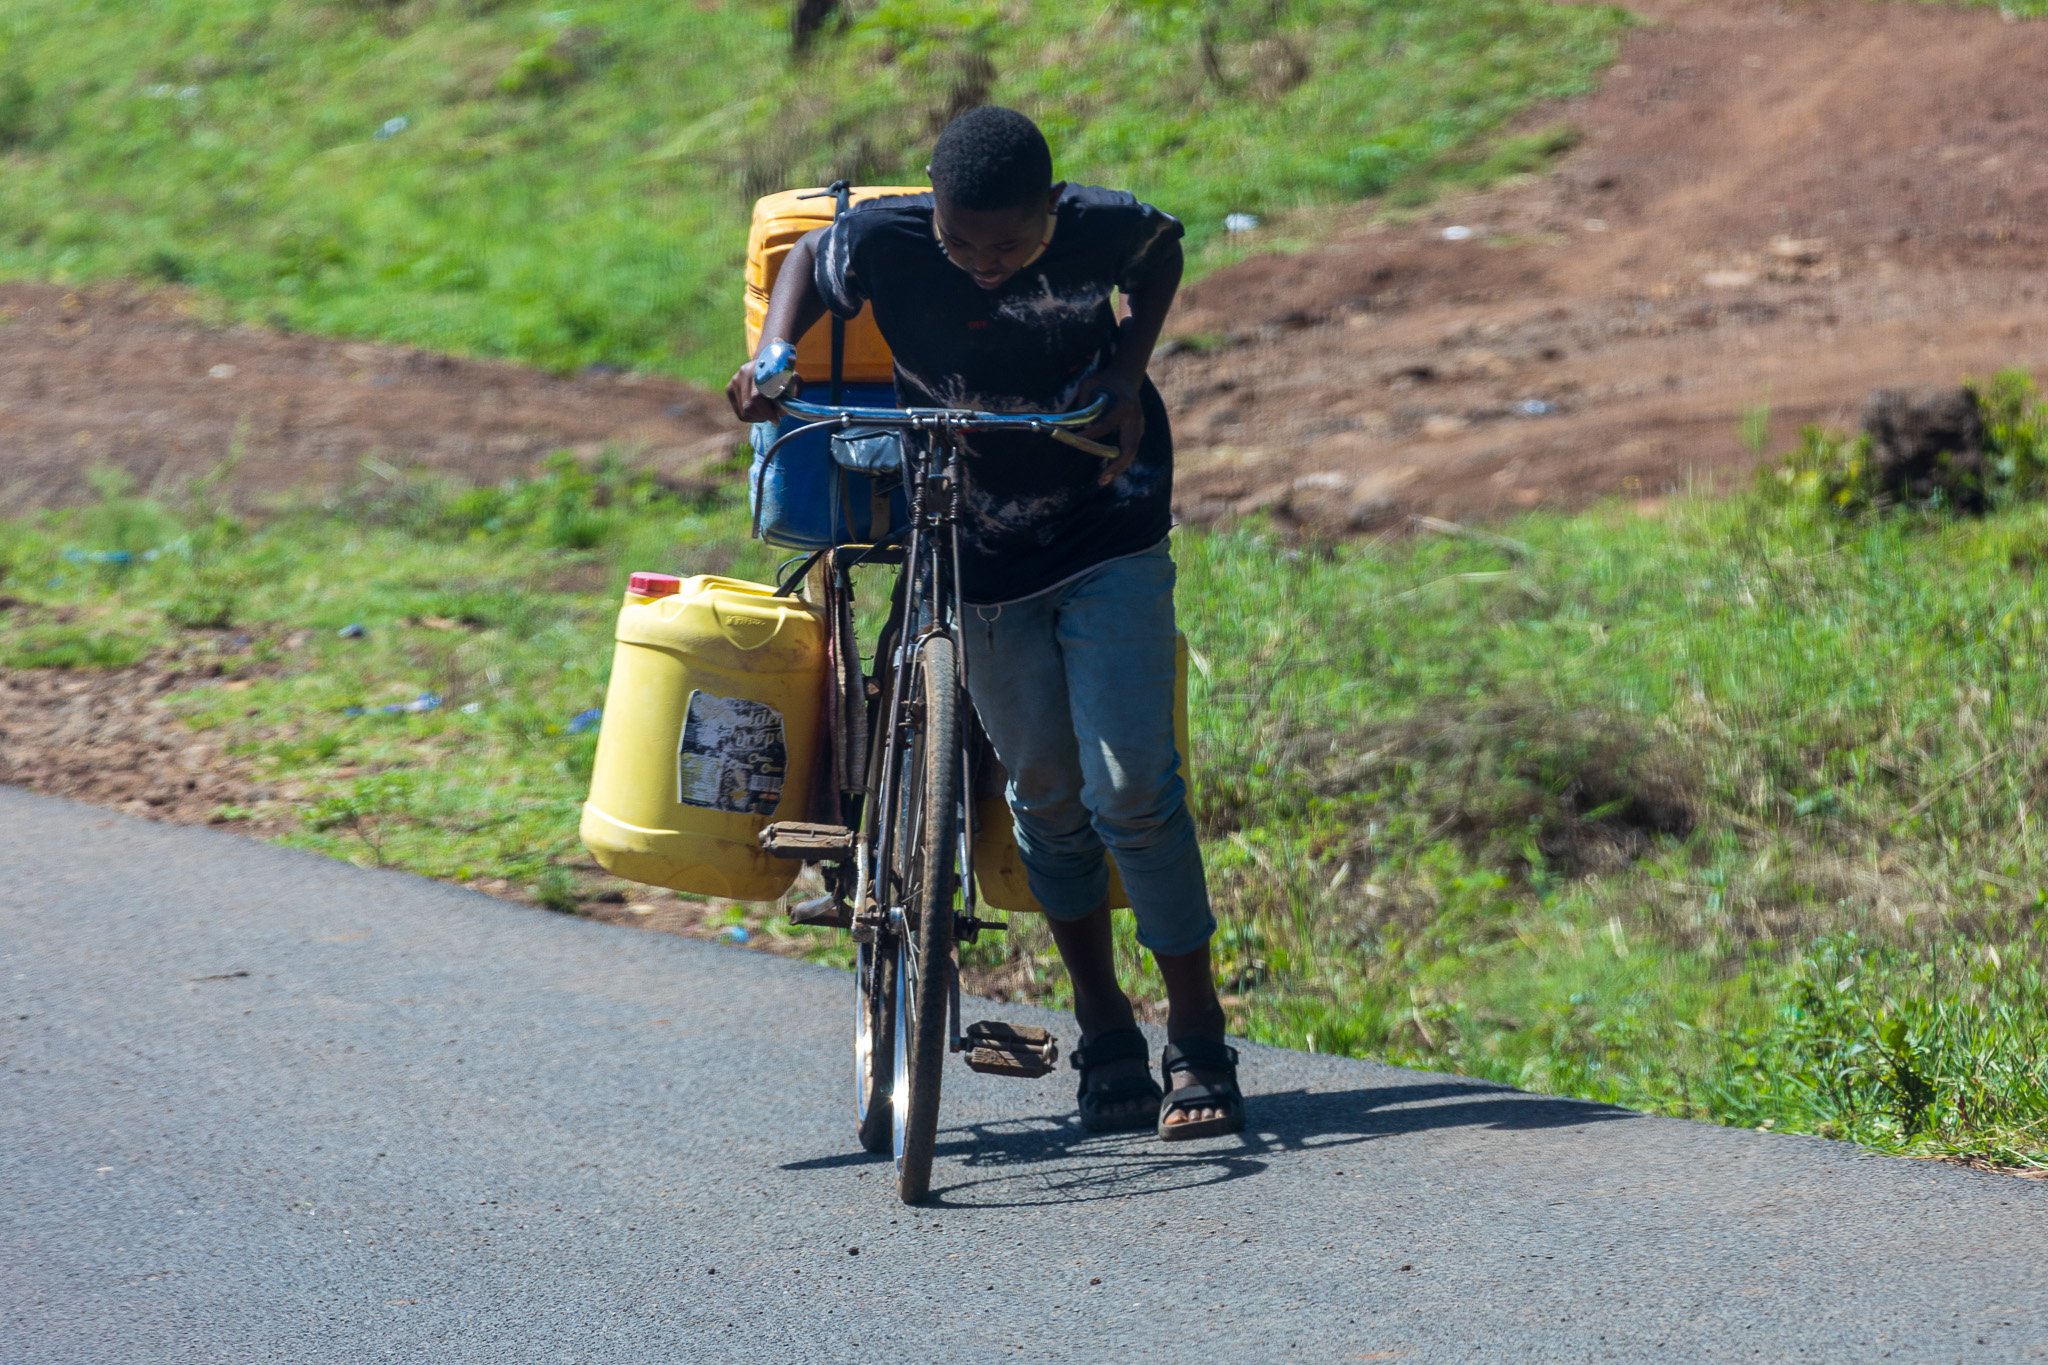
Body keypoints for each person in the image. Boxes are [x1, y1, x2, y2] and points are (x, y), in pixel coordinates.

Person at [726, 106, 1242, 1140]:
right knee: (1045, 796)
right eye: (964, 244)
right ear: (933, 203)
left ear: (1051, 211)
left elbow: (1163, 248)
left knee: (1131, 785)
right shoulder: (889, 240)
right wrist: (777, 355)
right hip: (970, 547)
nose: (986, 264)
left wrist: (1124, 368)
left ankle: (1196, 1032)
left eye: (1008, 246)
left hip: (1108, 527)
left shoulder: (1101, 226)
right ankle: (1103, 1032)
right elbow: (813, 262)